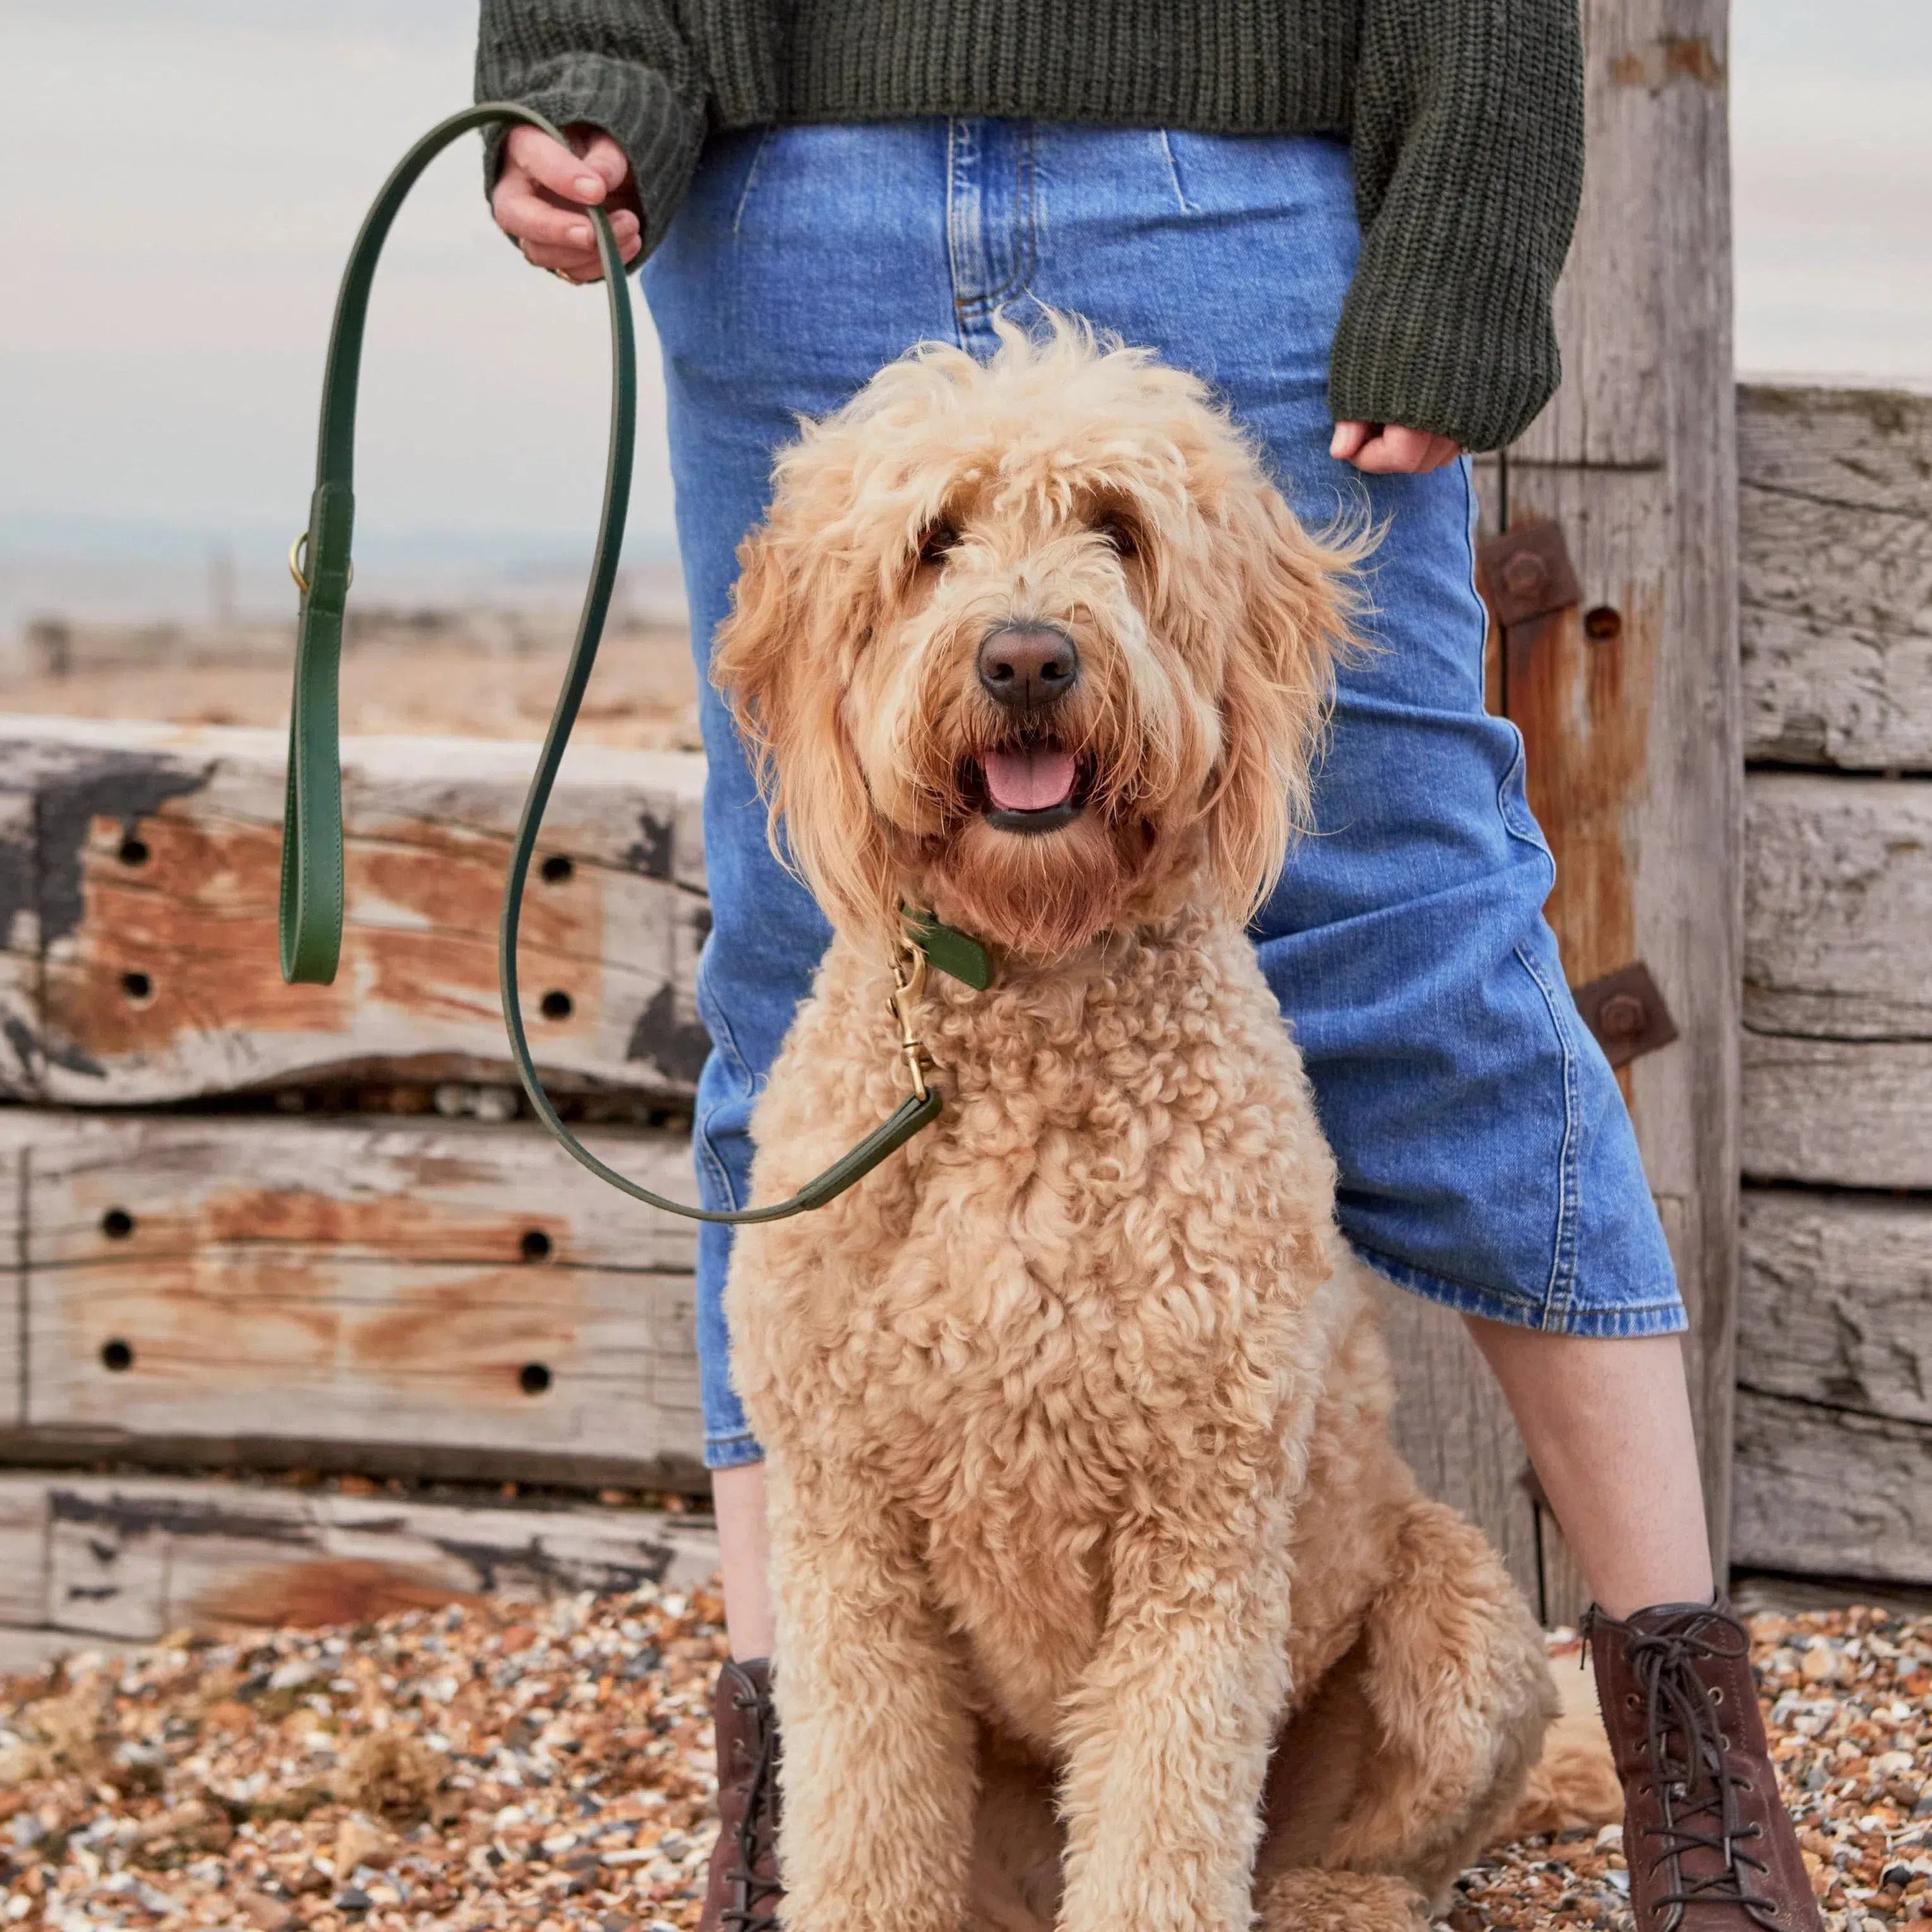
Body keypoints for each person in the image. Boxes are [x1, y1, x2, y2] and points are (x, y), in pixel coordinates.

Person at [476, 9, 1821, 1932]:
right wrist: (588, 57)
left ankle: (1688, 1743)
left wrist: (1470, 212)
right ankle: (799, 1815)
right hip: (785, 199)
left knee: (1424, 945)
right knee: (798, 962)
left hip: (1239, 181)